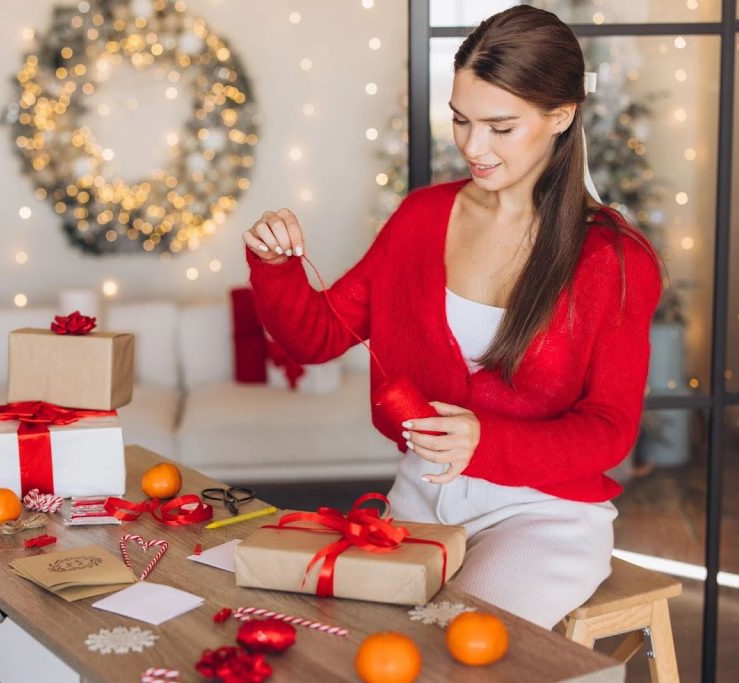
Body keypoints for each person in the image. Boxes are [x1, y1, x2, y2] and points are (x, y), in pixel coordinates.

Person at [242, 5, 664, 629]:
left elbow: (610, 430)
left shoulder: (614, 260)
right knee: (348, 638)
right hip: (420, 500)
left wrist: (488, 441)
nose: (472, 146)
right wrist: (275, 266)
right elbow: (317, 337)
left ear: (561, 116)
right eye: (461, 120)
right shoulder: (422, 217)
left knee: (448, 645)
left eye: (500, 127)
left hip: (542, 516)